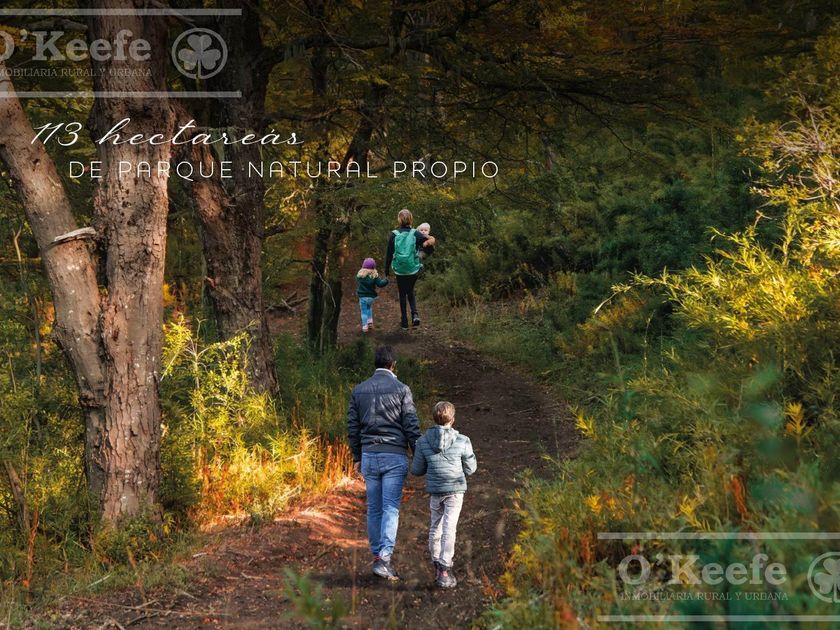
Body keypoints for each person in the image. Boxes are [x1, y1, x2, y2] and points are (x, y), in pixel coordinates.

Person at [347, 345, 421, 581]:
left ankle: (377, 556)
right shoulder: (402, 390)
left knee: (374, 508)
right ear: (393, 365)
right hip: (394, 455)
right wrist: (418, 453)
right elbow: (410, 424)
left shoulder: (359, 390)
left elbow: (353, 427)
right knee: (390, 507)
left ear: (376, 364)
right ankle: (384, 558)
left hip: (369, 455)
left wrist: (357, 456)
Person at [411, 401, 477, 589]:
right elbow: (471, 469)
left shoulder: (423, 441)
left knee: (436, 526)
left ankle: (436, 563)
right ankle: (445, 568)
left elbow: (416, 470)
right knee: (450, 527)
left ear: (433, 418)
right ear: (453, 419)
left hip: (435, 491)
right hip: (455, 491)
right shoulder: (463, 440)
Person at [385, 208, 435, 329]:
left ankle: (404, 322)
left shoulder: (393, 234)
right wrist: (423, 252)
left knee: (402, 293)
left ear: (399, 220)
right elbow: (430, 248)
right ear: (411, 220)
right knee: (410, 291)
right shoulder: (416, 234)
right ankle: (415, 315)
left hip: (399, 269)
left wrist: (386, 271)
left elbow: (389, 255)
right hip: (413, 268)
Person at [356, 257, 388, 333]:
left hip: (362, 297)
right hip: (370, 297)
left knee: (364, 311)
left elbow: (357, 280)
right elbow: (380, 284)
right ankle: (370, 322)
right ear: (373, 267)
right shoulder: (374, 276)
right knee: (369, 308)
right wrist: (386, 280)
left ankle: (365, 326)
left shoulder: (360, 276)